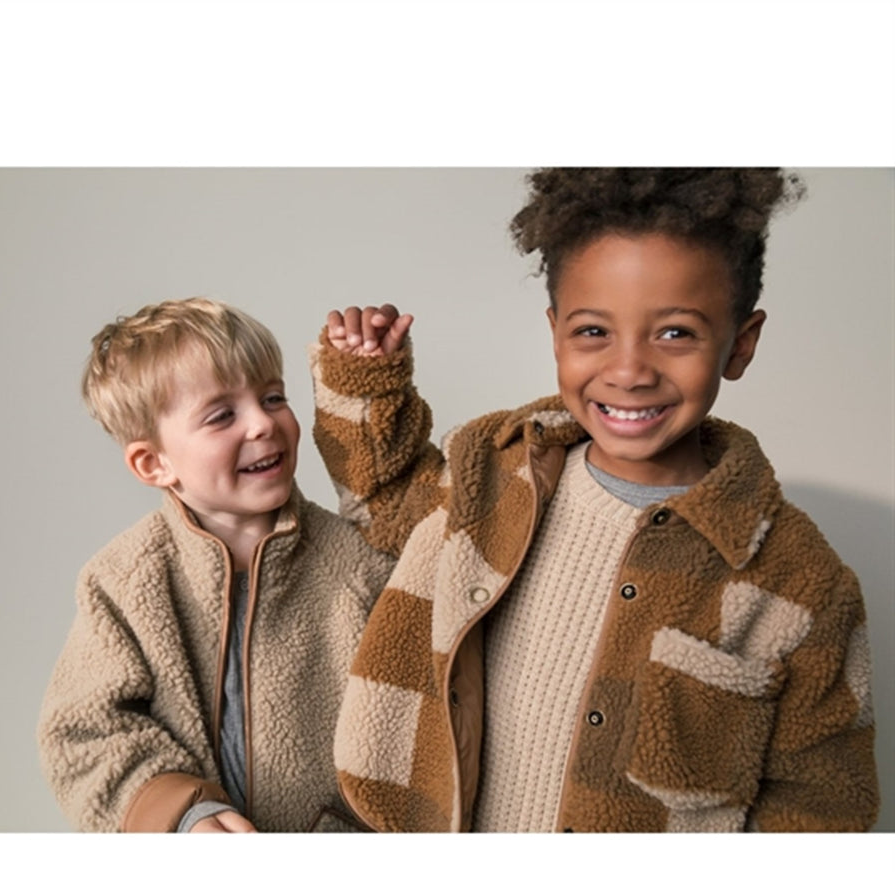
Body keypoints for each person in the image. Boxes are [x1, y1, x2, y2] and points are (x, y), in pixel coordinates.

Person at [311, 168, 879, 832]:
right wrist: (366, 382)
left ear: (740, 344)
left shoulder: (800, 583)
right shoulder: (491, 477)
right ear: (555, 332)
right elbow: (387, 505)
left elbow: (820, 805)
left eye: (675, 333)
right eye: (593, 332)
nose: (629, 371)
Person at [38, 297, 393, 832]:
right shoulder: (123, 580)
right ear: (153, 463)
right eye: (222, 415)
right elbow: (85, 732)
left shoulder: (356, 562)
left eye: (273, 397)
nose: (263, 423)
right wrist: (183, 812)